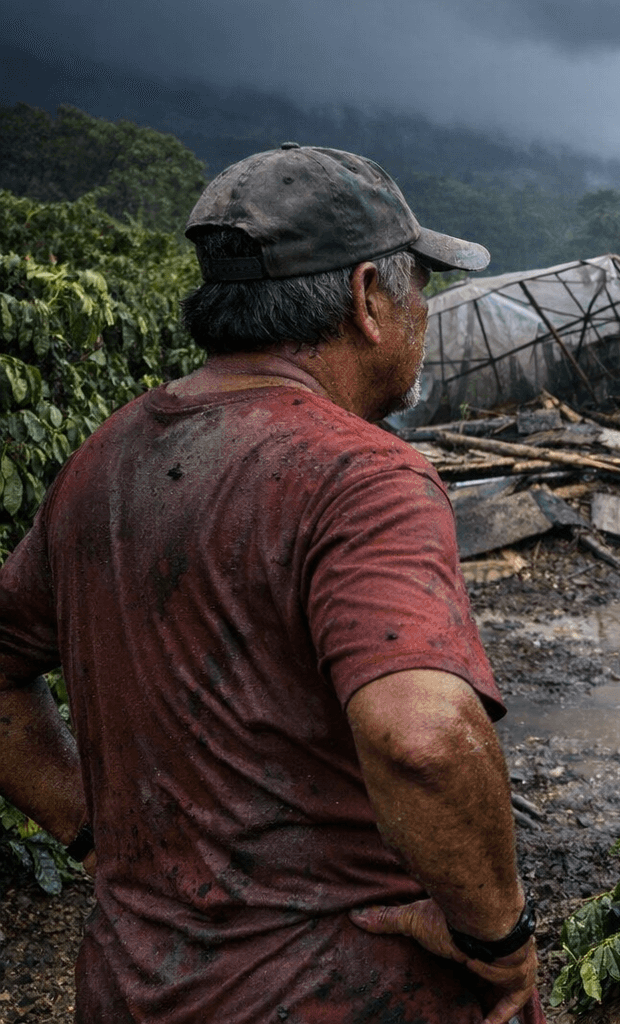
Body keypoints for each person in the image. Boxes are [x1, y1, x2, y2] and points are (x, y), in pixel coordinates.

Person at [0, 144, 541, 1024]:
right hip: (336, 993)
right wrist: (496, 939)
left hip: (132, 988)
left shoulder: (110, 454)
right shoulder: (362, 476)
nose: (422, 316)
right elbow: (425, 739)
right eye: (418, 291)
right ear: (369, 298)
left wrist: (95, 827)